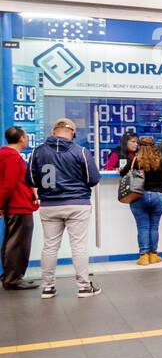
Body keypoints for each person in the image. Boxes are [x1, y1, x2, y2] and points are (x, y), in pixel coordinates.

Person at [27, 118, 100, 299]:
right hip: (77, 204)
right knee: (79, 246)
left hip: (49, 205)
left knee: (50, 246)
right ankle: (84, 287)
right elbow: (93, 179)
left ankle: (48, 287)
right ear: (73, 133)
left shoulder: (37, 152)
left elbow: (30, 179)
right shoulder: (81, 151)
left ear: (53, 131)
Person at [0, 127, 38, 290]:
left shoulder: (7, 155)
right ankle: (13, 278)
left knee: (12, 241)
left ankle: (12, 275)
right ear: (22, 138)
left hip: (17, 205)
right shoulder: (12, 157)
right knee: (17, 243)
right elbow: (8, 185)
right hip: (18, 206)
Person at [129, 136, 162, 265]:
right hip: (159, 196)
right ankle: (153, 255)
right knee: (154, 227)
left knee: (143, 227)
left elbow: (123, 172)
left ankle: (144, 256)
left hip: (139, 195)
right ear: (154, 146)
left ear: (140, 146)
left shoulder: (135, 160)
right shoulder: (161, 161)